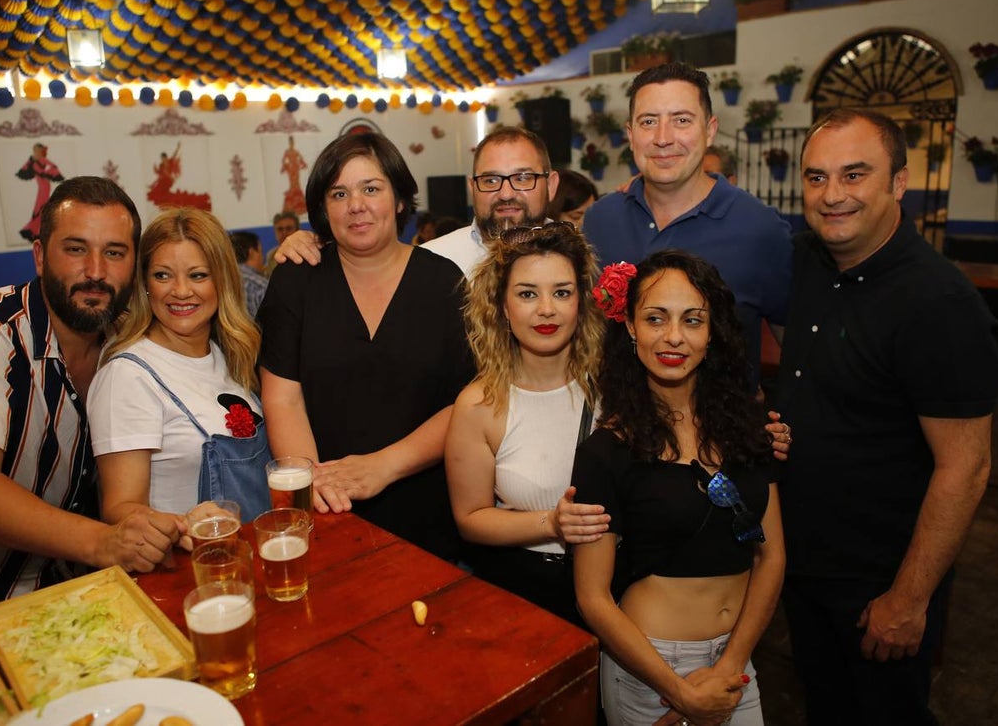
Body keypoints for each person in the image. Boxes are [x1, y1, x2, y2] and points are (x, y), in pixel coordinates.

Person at [776, 108, 998, 725]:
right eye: (817, 177)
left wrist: (908, 597)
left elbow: (967, 468)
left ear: (898, 183)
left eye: (854, 174)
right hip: (805, 565)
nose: (833, 195)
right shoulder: (810, 261)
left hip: (879, 580)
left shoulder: (939, 303)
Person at [0, 177, 182, 621]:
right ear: (40, 256)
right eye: (76, 249)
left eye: (115, 253)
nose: (96, 271)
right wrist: (103, 542)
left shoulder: (126, 341)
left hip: (61, 598)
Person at [572, 249, 785, 726]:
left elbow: (772, 556)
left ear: (712, 333)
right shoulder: (607, 451)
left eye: (692, 320)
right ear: (631, 326)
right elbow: (593, 597)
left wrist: (731, 666)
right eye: (655, 318)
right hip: (650, 669)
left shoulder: (749, 429)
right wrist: (681, 694)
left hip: (737, 661)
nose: (674, 336)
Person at [257, 132, 474, 561]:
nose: (356, 205)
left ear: (399, 199)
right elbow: (283, 397)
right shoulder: (297, 279)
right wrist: (314, 485)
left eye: (371, 189)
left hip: (428, 512)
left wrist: (383, 466)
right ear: (323, 209)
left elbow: (469, 403)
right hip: (326, 510)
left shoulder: (443, 282)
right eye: (339, 194)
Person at [581, 62, 792, 384]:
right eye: (648, 122)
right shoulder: (600, 221)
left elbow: (794, 346)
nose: (663, 138)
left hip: (724, 415)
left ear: (709, 130)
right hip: (615, 411)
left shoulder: (760, 229)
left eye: (681, 120)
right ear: (631, 135)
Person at [445, 222, 610, 625]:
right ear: (503, 306)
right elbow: (471, 520)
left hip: (617, 584)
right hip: (525, 593)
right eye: (527, 294)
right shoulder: (479, 406)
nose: (546, 309)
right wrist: (551, 523)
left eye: (562, 292)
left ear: (581, 301)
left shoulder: (615, 390)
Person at [89, 207, 269, 525]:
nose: (181, 291)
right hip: (188, 554)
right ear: (145, 283)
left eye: (198, 275)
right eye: (163, 275)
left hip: (256, 547)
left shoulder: (231, 353)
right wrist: (185, 524)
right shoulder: (128, 375)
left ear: (223, 281)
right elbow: (120, 510)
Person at [271, 126, 560, 279]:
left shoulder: (579, 264)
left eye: (523, 177)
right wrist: (309, 242)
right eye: (491, 179)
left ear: (551, 185)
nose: (506, 193)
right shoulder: (433, 264)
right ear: (472, 187)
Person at [15, 142, 64, 241]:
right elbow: (25, 168)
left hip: (45, 186)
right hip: (41, 187)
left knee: (41, 207)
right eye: (34, 150)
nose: (35, 152)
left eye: (36, 150)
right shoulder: (32, 160)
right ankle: (35, 230)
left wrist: (44, 172)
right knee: (39, 207)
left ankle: (37, 230)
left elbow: (53, 167)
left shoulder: (42, 160)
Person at [229, 230, 270, 317]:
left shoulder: (223, 282)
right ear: (252, 253)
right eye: (261, 252)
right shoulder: (261, 286)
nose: (262, 258)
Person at [264, 210, 300, 280]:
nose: (284, 233)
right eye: (280, 229)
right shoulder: (271, 255)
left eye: (289, 228)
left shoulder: (305, 252)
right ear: (275, 232)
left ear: (297, 230)